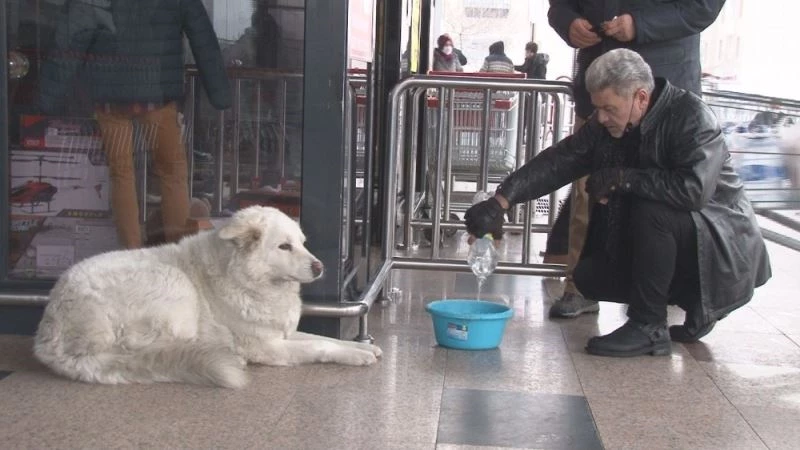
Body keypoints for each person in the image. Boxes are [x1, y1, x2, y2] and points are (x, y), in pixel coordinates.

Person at [464, 49, 771, 357]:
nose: (600, 117)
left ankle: (649, 326)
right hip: (686, 239)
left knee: (653, 210)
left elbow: (693, 190)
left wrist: (623, 178)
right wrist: (501, 201)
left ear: (640, 97)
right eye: (597, 108)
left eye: (608, 108)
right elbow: (562, 159)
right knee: (590, 277)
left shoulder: (691, 117)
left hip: (723, 250)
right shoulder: (608, 126)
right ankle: (695, 303)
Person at [544, 0, 725, 319]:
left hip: (664, 90)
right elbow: (559, 6)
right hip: (599, 89)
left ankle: (666, 294)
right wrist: (567, 21)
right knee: (588, 195)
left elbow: (702, 8)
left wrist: (640, 25)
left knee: (663, 199)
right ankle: (580, 286)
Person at [40, 0, 232, 249]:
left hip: (110, 99)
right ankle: (179, 252)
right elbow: (202, 38)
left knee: (122, 175)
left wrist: (48, 98)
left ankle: (131, 252)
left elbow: (70, 39)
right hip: (157, 96)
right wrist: (220, 95)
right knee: (172, 173)